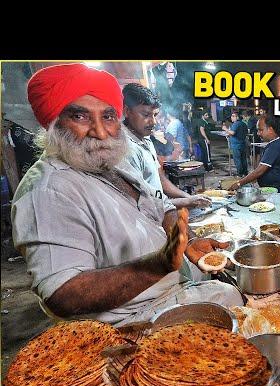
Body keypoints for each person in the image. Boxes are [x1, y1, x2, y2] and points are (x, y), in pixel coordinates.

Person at [12, 63, 243, 327]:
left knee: (234, 293)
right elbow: (61, 294)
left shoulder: (112, 160)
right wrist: (159, 265)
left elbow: (160, 207)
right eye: (81, 117)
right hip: (130, 320)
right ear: (54, 123)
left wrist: (189, 244)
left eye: (108, 117)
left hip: (170, 289)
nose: (99, 132)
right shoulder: (47, 189)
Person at [121, 83, 211, 210]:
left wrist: (188, 197)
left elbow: (160, 179)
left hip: (159, 214)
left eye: (154, 115)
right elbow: (141, 202)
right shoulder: (125, 150)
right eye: (146, 115)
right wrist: (185, 202)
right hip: (144, 220)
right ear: (127, 111)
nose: (153, 122)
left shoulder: (146, 139)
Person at [230, 115, 280, 195]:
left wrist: (239, 183)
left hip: (275, 191)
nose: (258, 133)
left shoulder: (275, 146)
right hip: (268, 189)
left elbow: (260, 170)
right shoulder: (272, 144)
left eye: (261, 130)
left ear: (270, 129)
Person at [222, 111, 248, 176]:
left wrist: (225, 129)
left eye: (233, 116)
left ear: (237, 117)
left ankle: (240, 174)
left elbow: (233, 132)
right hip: (243, 144)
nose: (232, 118)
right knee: (243, 159)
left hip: (236, 145)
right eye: (232, 116)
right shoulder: (244, 124)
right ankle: (245, 173)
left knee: (237, 160)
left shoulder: (236, 124)